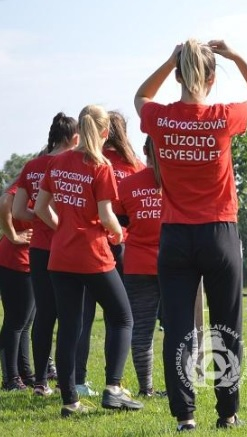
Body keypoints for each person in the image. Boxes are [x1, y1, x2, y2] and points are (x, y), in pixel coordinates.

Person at [134, 38, 247, 431]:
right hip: (219, 233)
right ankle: (227, 414)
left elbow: (142, 94)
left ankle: (185, 417)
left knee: (177, 327)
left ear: (177, 74)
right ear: (212, 78)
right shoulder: (224, 116)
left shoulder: (159, 118)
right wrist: (237, 56)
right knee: (226, 325)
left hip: (175, 236)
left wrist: (169, 59)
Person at [34, 104, 143, 417]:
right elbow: (108, 216)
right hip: (93, 254)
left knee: (68, 326)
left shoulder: (56, 162)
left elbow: (41, 208)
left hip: (61, 256)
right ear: (105, 132)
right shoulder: (101, 165)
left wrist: (64, 228)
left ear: (80, 130)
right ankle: (113, 388)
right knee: (123, 317)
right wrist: (119, 235)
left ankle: (70, 401)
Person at [76, 110, 146, 397]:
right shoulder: (136, 166)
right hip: (120, 246)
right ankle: (112, 381)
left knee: (83, 316)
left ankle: (78, 381)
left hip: (86, 243)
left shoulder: (87, 162)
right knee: (117, 317)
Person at [13, 112, 78, 396]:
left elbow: (17, 211)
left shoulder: (31, 166)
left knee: (44, 316)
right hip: (68, 249)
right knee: (70, 316)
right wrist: (62, 225)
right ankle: (68, 381)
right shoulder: (71, 164)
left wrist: (40, 220)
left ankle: (40, 382)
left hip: (38, 250)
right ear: (74, 139)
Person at [113, 136, 165, 397]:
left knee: (142, 330)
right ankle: (181, 386)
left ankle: (146, 388)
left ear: (144, 150)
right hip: (176, 265)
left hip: (137, 264)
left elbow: (118, 219)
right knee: (180, 329)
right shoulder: (178, 182)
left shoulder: (128, 184)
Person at [0, 184, 34, 391]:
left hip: (32, 260)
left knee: (25, 323)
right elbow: (4, 201)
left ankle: (24, 373)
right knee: (15, 322)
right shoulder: (28, 180)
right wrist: (13, 235)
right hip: (16, 260)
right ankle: (10, 379)